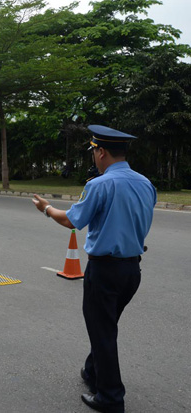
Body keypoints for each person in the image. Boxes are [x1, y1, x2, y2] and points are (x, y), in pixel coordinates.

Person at [32, 125, 157, 413]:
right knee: (106, 325)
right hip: (131, 271)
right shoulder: (145, 183)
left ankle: (110, 397)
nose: (93, 157)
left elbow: (71, 221)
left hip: (105, 270)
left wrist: (47, 209)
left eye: (93, 151)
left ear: (101, 152)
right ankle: (92, 372)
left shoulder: (99, 185)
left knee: (102, 331)